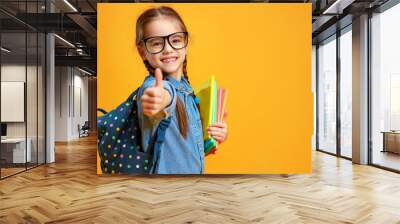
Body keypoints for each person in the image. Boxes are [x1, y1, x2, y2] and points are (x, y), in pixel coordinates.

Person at [135, 6, 228, 174]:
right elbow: (163, 96)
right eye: (156, 43)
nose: (168, 48)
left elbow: (188, 149)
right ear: (142, 52)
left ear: (185, 44)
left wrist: (216, 135)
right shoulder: (152, 88)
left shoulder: (189, 90)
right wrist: (158, 100)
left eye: (176, 40)